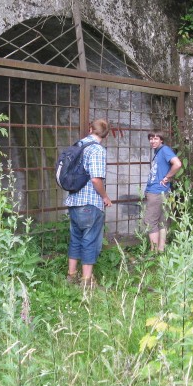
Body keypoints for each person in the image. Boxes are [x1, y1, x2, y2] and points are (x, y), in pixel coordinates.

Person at [65, 119, 113, 289]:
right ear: (106, 135)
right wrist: (105, 197)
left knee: (75, 238)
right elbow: (95, 179)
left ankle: (71, 275)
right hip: (89, 203)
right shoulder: (97, 150)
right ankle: (86, 281)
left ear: (90, 128)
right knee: (89, 240)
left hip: (73, 201)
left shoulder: (78, 145)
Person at [143, 130, 182, 252]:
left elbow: (177, 164)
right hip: (163, 191)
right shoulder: (159, 151)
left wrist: (167, 177)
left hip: (156, 192)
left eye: (156, 138)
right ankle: (161, 250)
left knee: (150, 222)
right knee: (162, 221)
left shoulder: (164, 150)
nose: (153, 141)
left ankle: (153, 252)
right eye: (151, 138)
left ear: (161, 140)